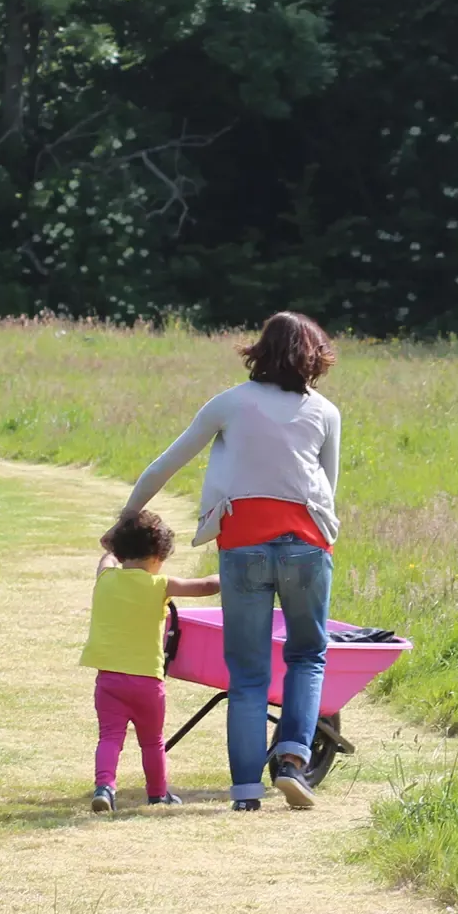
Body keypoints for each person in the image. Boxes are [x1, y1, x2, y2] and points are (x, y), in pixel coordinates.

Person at [106, 311, 340, 811]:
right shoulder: (326, 412)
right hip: (307, 545)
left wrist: (123, 525)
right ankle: (293, 760)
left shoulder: (229, 404)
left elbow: (163, 466)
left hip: (244, 546)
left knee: (248, 672)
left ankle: (245, 792)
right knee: (307, 655)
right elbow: (328, 493)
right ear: (314, 358)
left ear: (259, 350)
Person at [80, 509, 219, 814]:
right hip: (147, 680)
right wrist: (233, 573)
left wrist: (111, 543)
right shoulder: (160, 585)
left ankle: (104, 787)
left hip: (110, 679)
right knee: (152, 741)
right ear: (158, 556)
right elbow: (207, 586)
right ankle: (157, 794)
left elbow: (106, 554)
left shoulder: (105, 577)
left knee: (109, 738)